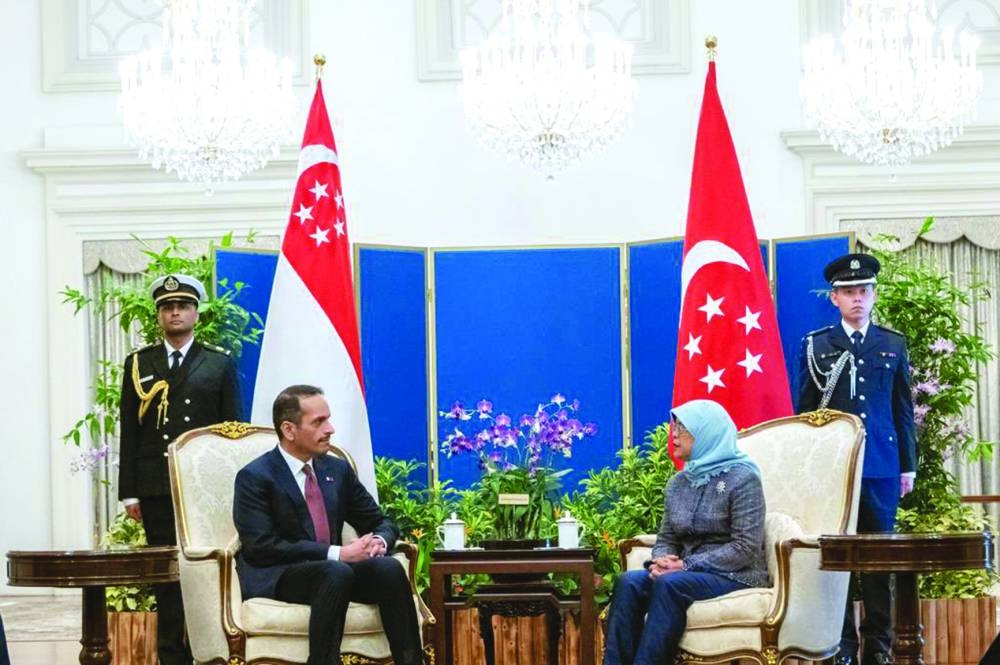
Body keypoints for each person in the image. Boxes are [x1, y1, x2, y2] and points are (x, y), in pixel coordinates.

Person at [232, 385, 422, 665]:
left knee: (388, 568)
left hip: (335, 573)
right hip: (281, 574)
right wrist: (339, 553)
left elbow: (380, 521)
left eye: (328, 419)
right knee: (335, 571)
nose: (330, 429)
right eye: (319, 422)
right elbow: (261, 547)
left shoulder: (336, 469)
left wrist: (378, 542)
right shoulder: (255, 477)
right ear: (289, 429)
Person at [797, 253, 917, 665]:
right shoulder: (817, 345)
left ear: (873, 294)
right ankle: (842, 645)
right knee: (840, 560)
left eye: (864, 291)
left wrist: (908, 466)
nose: (857, 299)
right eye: (849, 292)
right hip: (835, 471)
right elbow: (807, 414)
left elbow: (903, 409)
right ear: (834, 298)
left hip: (882, 467)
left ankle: (878, 648)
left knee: (879, 561)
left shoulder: (893, 343)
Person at [118, 273, 244, 665]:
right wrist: (129, 491)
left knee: (206, 569)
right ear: (159, 315)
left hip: (204, 487)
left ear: (196, 313)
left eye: (182, 306)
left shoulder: (219, 364)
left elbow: (232, 430)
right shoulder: (139, 363)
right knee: (165, 571)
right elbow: (130, 429)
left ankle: (211, 651)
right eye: (167, 307)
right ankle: (172, 656)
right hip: (156, 485)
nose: (175, 312)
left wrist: (232, 487)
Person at [603, 399, 769, 665]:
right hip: (686, 573)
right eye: (674, 427)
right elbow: (667, 537)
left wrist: (686, 565)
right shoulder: (679, 482)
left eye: (683, 428)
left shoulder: (743, 479)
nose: (674, 435)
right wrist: (661, 561)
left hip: (736, 573)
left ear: (707, 432)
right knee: (628, 582)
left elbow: (745, 547)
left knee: (671, 584)